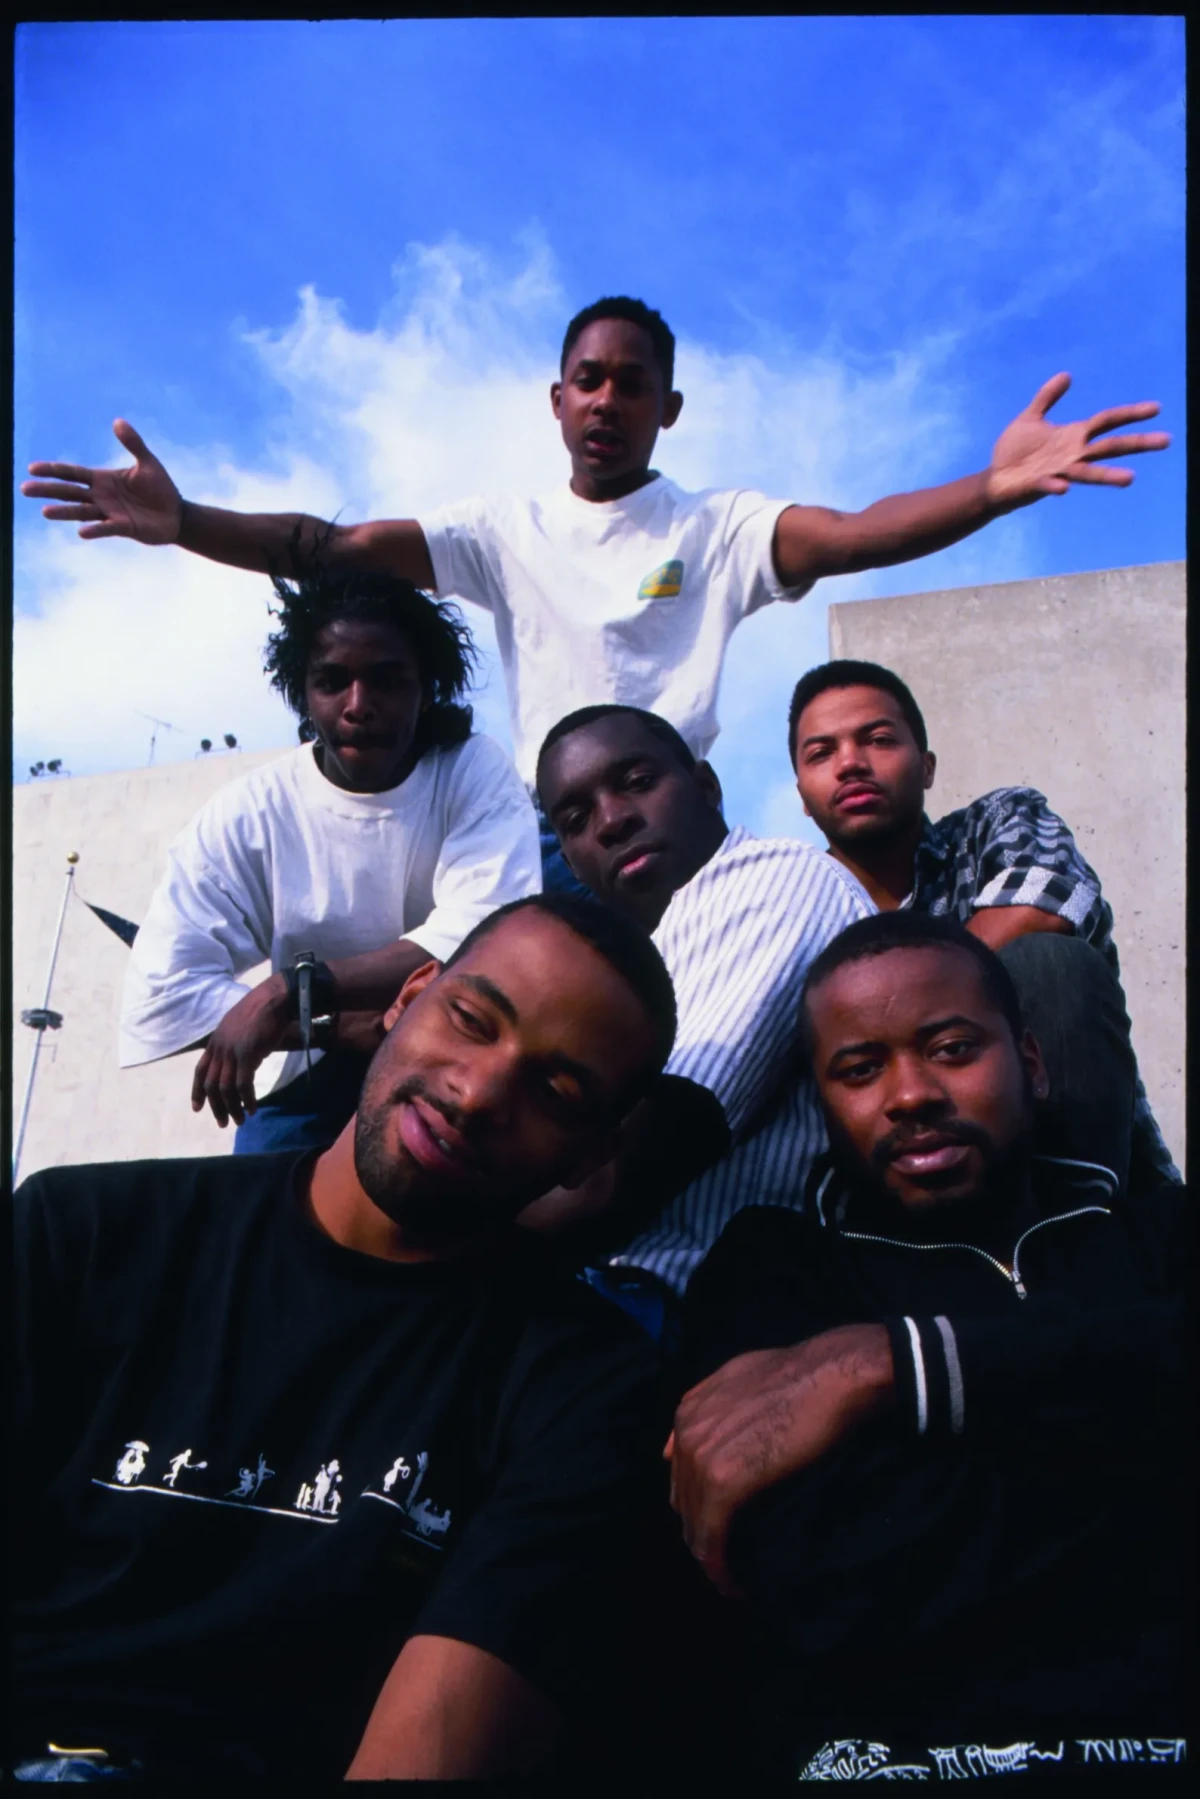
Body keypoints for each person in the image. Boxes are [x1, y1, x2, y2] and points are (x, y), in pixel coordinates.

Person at [22, 297, 1170, 887]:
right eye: (588, 379)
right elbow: (330, 543)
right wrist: (186, 523)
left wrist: (993, 488)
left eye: (633, 383)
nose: (608, 399)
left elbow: (860, 532)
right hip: (544, 830)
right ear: (557, 399)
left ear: (669, 407)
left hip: (679, 825)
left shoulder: (717, 526)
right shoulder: (501, 532)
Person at [13, 893, 697, 1783]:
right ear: (408, 997)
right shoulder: (83, 1235)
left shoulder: (586, 1388)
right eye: (471, 1019)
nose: (476, 1093)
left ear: (590, 1155)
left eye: (555, 1092)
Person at [671, 912, 1185, 1780]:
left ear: (1030, 1062)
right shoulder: (773, 1273)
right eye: (860, 1069)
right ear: (822, 1104)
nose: (910, 1094)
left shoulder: (1163, 1237)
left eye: (952, 1048)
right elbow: (825, 1583)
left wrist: (905, 1365)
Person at [119, 564, 540, 1154]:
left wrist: (290, 989)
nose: (358, 705)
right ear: (304, 694)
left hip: (451, 1061)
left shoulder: (470, 770)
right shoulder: (250, 812)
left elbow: (486, 933)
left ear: (425, 689)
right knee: (263, 1199)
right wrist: (333, 1026)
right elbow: (162, 990)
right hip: (311, 1074)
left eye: (387, 680)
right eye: (332, 681)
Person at [531, 703, 871, 1337]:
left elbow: (649, 1151)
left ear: (707, 786)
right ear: (570, 863)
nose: (612, 820)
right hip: (595, 1297)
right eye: (576, 821)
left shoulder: (776, 876)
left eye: (637, 782)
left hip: (684, 1311)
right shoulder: (628, 963)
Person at [787, 657, 1179, 1190]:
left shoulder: (994, 822)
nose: (851, 763)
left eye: (878, 740)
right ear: (802, 796)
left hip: (1053, 1160)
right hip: (883, 1186)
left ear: (927, 767)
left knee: (1050, 961)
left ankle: (1077, 1211)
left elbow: (1049, 905)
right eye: (822, 753)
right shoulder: (790, 908)